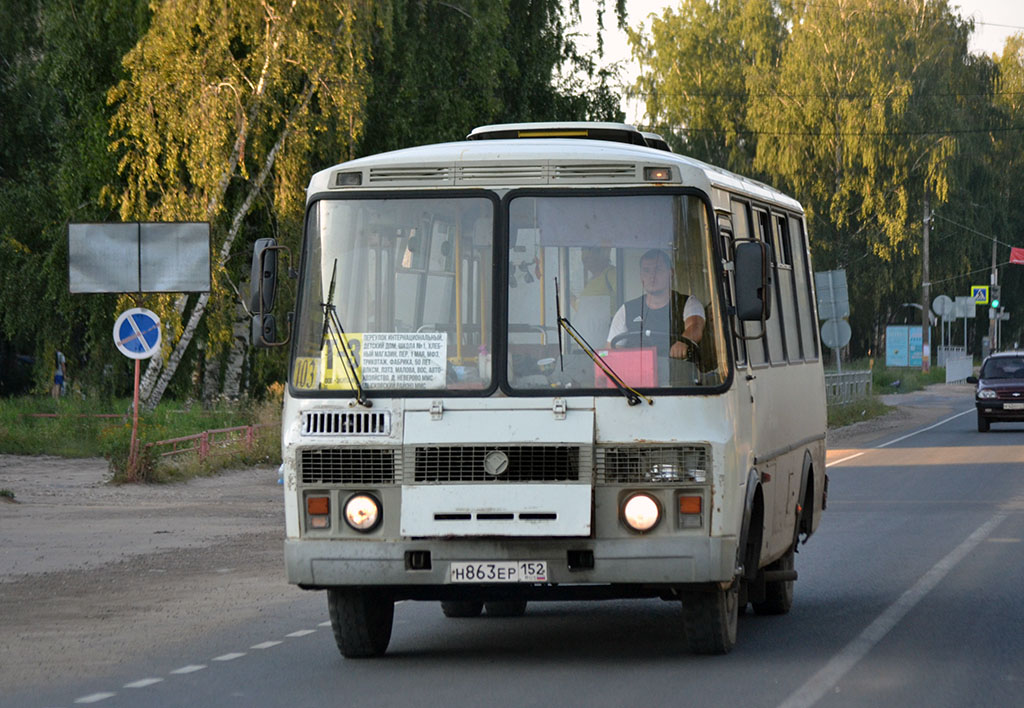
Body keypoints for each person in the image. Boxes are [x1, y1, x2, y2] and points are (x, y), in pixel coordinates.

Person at [606, 249, 705, 359]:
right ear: (641, 276)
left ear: (670, 273)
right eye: (646, 271)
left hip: (677, 372)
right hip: (637, 374)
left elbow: (695, 326)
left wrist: (683, 342)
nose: (652, 276)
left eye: (658, 269)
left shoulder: (688, 303)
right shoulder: (626, 310)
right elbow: (612, 350)